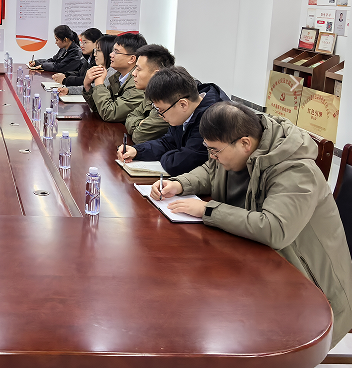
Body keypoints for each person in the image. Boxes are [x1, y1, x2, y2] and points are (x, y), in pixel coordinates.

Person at [152, 102, 352, 347]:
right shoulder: (237, 146)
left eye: (215, 150)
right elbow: (211, 170)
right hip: (261, 268)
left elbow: (275, 229)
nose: (212, 156)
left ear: (245, 143)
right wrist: (180, 184)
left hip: (313, 295)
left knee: (230, 333)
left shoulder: (297, 170)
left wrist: (208, 210)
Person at [117, 66, 229, 176]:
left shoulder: (213, 120)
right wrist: (137, 151)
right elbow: (168, 143)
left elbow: (181, 164)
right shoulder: (184, 109)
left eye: (161, 110)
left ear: (183, 104)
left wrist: (167, 155)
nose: (160, 115)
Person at [83, 32, 146, 122]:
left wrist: (99, 84)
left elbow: (110, 113)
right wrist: (87, 86)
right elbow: (99, 108)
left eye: (116, 52)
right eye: (113, 51)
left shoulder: (138, 83)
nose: (111, 55)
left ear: (132, 59)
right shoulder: (118, 77)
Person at [124, 44, 174, 144]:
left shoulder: (168, 100)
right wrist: (140, 123)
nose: (133, 73)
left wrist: (140, 124)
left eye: (138, 69)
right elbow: (131, 116)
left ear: (156, 74)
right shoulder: (152, 92)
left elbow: (139, 136)